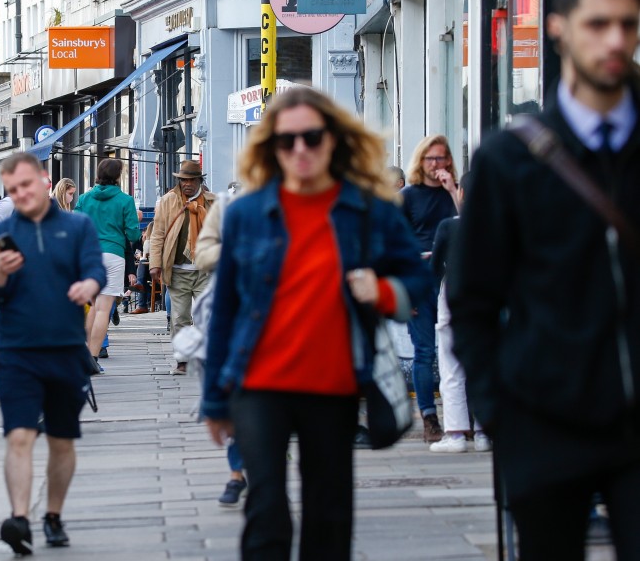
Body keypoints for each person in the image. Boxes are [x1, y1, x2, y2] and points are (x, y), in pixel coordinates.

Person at [449, 0, 640, 561]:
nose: (614, 41)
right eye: (598, 24)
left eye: (628, 26)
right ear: (558, 28)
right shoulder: (511, 160)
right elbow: (473, 297)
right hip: (545, 422)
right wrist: (499, 412)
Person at [203, 87, 430, 560]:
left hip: (333, 385)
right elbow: (224, 310)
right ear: (272, 148)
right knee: (266, 508)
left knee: (328, 512)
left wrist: (384, 291)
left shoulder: (368, 210)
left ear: (333, 139)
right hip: (258, 383)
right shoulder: (247, 213)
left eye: (312, 137)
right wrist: (214, 400)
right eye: (288, 141)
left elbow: (418, 279)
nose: (301, 149)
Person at [0, 152, 106, 556]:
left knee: (62, 441)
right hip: (16, 354)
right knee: (19, 436)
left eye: (27, 185)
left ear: (45, 180)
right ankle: (19, 518)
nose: (21, 194)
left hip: (65, 352)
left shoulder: (77, 225)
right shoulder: (0, 236)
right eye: (13, 190)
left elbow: (96, 269)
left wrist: (88, 286)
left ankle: (52, 514)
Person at [401, 134, 460, 442]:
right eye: (431, 159)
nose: (438, 164)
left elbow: (468, 221)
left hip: (455, 274)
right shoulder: (409, 196)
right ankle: (429, 417)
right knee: (425, 350)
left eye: (442, 158)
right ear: (421, 162)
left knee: (460, 348)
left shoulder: (455, 191)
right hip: (421, 275)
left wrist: (452, 189)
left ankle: (462, 417)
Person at [428, 172, 490, 454]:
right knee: (483, 364)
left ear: (461, 193)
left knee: (451, 364)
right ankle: (483, 432)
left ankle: (454, 433)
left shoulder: (448, 227)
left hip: (453, 294)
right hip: (490, 297)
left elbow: (435, 267)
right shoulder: (497, 224)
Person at [194, 183, 247, 507]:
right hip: (238, 320)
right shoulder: (229, 206)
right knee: (239, 400)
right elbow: (203, 255)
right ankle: (237, 473)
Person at [149, 160, 217, 374]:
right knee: (180, 318)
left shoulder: (211, 202)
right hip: (178, 269)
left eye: (191, 180)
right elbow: (158, 233)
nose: (187, 184)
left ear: (199, 181)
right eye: (183, 180)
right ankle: (182, 361)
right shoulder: (168, 201)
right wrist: (155, 264)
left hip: (205, 270)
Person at [74, 159, 140, 367]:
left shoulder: (84, 199)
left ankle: (84, 354)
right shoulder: (125, 200)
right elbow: (133, 233)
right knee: (103, 309)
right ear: (117, 176)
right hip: (113, 254)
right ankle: (92, 358)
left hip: (89, 254)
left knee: (92, 306)